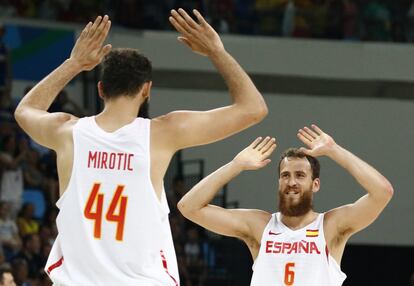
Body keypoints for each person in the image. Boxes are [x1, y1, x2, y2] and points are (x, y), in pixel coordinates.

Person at [14, 8, 268, 286]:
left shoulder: (67, 132)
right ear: (146, 90)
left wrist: (74, 63)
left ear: (100, 88)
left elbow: (25, 109)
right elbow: (253, 109)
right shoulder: (162, 133)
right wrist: (216, 51)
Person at [178, 125, 393, 285]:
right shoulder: (260, 226)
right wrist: (236, 165)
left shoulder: (330, 226)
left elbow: (382, 192)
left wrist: (334, 150)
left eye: (300, 175)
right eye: (285, 175)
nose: (292, 182)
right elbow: (189, 207)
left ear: (315, 184)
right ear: (279, 182)